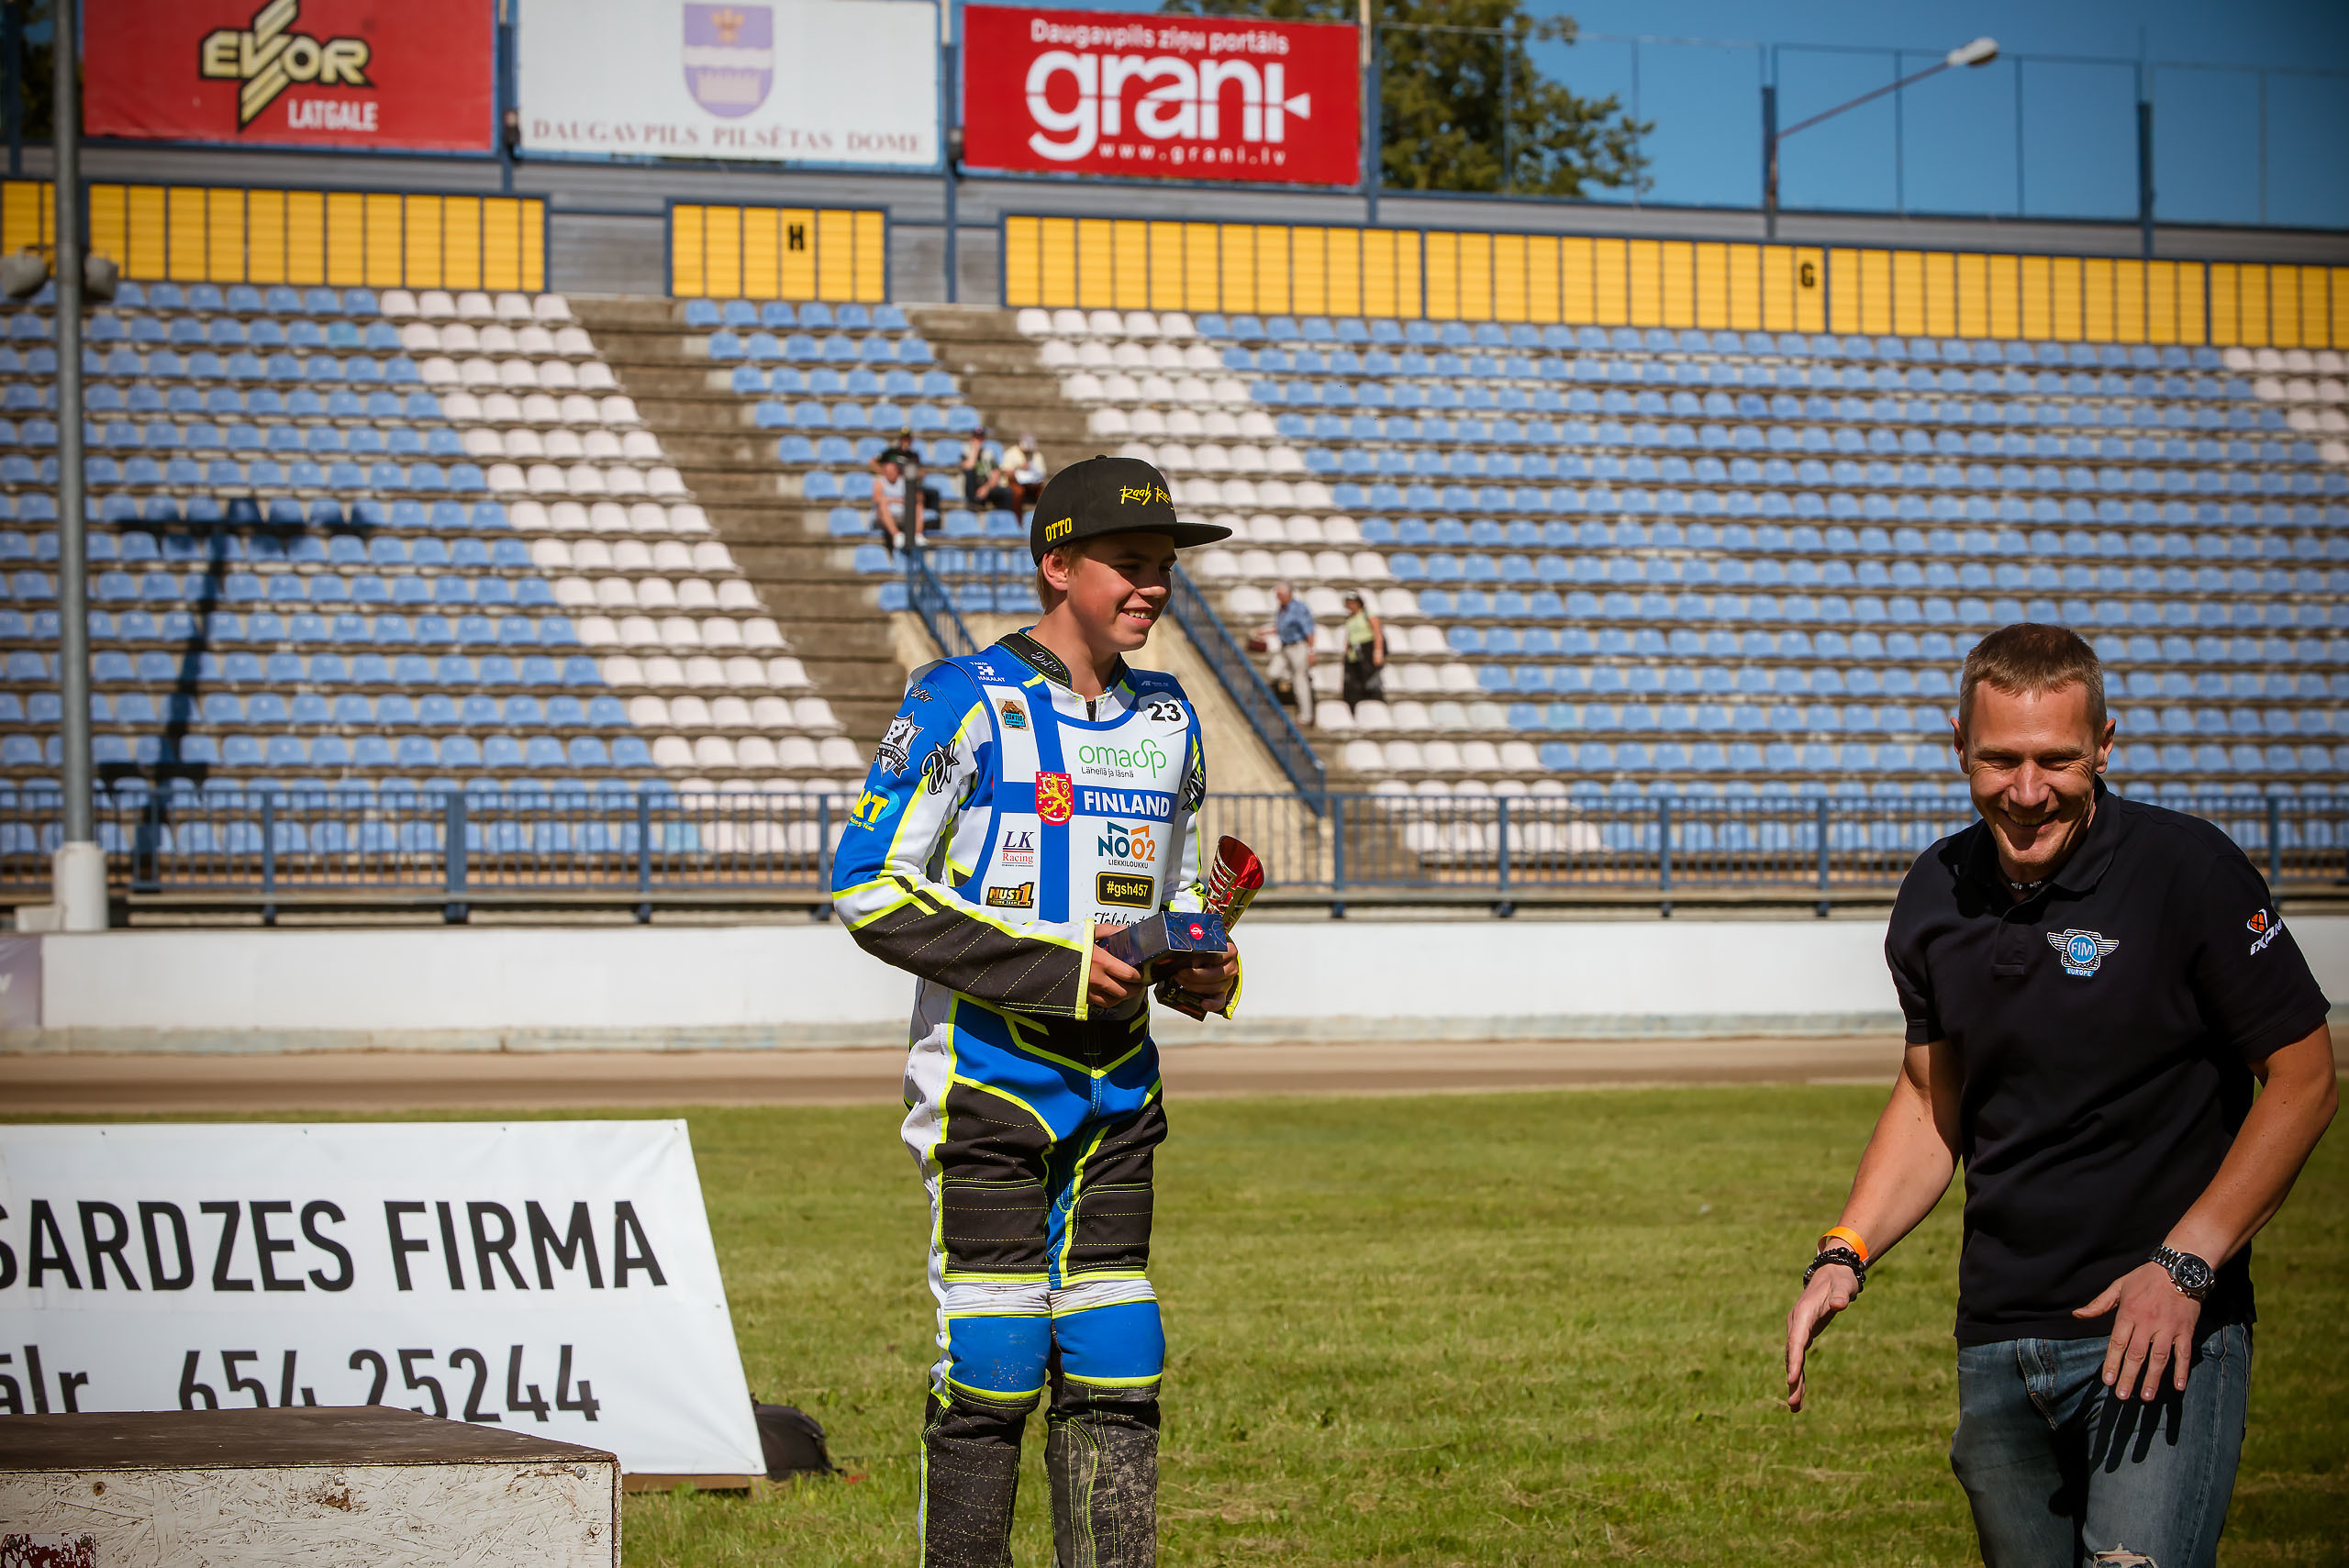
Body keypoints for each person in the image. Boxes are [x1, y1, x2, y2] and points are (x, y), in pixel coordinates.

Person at [1782, 623, 2336, 1568]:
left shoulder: (2188, 871)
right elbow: (1928, 1101)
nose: (2027, 790)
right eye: (1998, 758)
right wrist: (1845, 1250)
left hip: (2161, 1333)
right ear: (1956, 745)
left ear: (2105, 746)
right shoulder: (1932, 893)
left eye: (2057, 759)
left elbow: (2304, 1075)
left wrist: (2186, 1265)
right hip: (1997, 1344)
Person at [831, 454, 1242, 1568]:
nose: (1153, 586)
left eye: (1163, 566)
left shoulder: (1170, 717)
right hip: (988, 1091)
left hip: (1120, 1094)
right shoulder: (960, 697)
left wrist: (1203, 964)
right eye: (1130, 564)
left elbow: (1184, 890)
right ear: (1056, 563)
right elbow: (867, 885)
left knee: (1121, 1353)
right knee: (996, 1361)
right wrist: (1057, 969)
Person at [1258, 580, 1315, 726]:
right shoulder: (1281, 610)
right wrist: (1264, 632)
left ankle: (1306, 716)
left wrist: (1311, 651)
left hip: (1298, 647)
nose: (1278, 598)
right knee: (1273, 672)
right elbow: (1281, 628)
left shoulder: (1299, 609)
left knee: (1300, 681)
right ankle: (1289, 675)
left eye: (1279, 595)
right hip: (1285, 647)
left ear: (1287, 594)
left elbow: (1309, 631)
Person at [1340, 589, 1384, 710]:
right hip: (1354, 653)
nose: (1351, 606)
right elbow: (1349, 636)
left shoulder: (1368, 615)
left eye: (1353, 602)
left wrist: (1378, 651)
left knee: (1370, 681)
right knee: (1353, 683)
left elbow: (1377, 633)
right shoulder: (1350, 619)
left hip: (1366, 651)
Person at [872, 456, 925, 552]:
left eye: (892, 471)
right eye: (887, 471)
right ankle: (896, 535)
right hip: (885, 515)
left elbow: (917, 499)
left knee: (918, 506)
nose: (890, 474)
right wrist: (897, 500)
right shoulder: (879, 482)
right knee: (883, 505)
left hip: (902, 512)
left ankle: (918, 535)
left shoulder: (905, 481)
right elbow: (878, 499)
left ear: (897, 471)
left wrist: (917, 484)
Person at [961, 428, 1018, 513]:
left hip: (987, 487)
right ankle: (973, 504)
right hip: (972, 489)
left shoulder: (988, 454)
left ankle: (1005, 517)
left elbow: (996, 474)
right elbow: (969, 467)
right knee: (969, 473)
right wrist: (975, 450)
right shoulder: (966, 452)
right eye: (977, 438)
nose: (979, 441)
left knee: (1007, 492)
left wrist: (986, 488)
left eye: (981, 438)